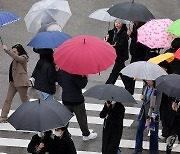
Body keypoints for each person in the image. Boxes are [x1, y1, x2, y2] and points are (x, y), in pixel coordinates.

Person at [58, 69, 97, 141]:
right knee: (82, 118)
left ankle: (62, 133)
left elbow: (60, 82)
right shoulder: (76, 71)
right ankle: (86, 134)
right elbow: (81, 84)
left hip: (66, 98)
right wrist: (85, 77)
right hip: (77, 99)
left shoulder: (62, 69)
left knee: (65, 119)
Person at [0, 44, 31, 123]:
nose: (14, 53)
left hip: (21, 83)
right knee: (8, 100)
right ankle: (3, 117)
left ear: (19, 51)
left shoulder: (24, 58)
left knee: (25, 101)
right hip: (13, 83)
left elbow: (17, 58)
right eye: (13, 51)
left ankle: (30, 116)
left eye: (15, 51)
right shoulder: (15, 58)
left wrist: (8, 51)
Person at [133, 80, 162, 154]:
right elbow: (144, 97)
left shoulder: (158, 89)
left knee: (153, 133)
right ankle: (138, 149)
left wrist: (154, 113)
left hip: (153, 113)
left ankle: (154, 151)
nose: (148, 82)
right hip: (144, 112)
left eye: (150, 80)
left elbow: (158, 102)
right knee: (139, 129)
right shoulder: (145, 86)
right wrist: (142, 97)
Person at [105, 19, 129, 90]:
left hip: (120, 56)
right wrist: (107, 39)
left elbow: (121, 45)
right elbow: (109, 41)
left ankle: (108, 86)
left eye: (119, 23)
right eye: (116, 22)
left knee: (115, 72)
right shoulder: (112, 32)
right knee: (122, 72)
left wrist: (115, 45)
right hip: (114, 54)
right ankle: (129, 87)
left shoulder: (124, 34)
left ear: (122, 24)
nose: (117, 24)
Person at [126, 21, 150, 95]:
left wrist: (131, 34)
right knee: (132, 73)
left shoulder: (143, 27)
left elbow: (140, 40)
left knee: (140, 73)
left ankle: (150, 85)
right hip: (135, 53)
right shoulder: (135, 25)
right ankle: (129, 91)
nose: (132, 20)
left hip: (140, 54)